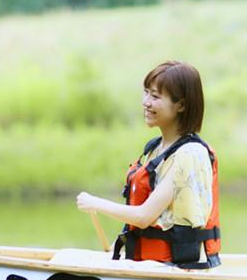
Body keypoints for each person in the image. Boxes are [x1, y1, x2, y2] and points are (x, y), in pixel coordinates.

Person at [76, 60, 221, 268]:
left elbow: (144, 216)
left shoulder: (190, 155)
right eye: (146, 93)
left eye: (155, 96)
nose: (146, 102)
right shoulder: (156, 149)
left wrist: (95, 203)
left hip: (176, 270)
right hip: (151, 265)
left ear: (181, 105)